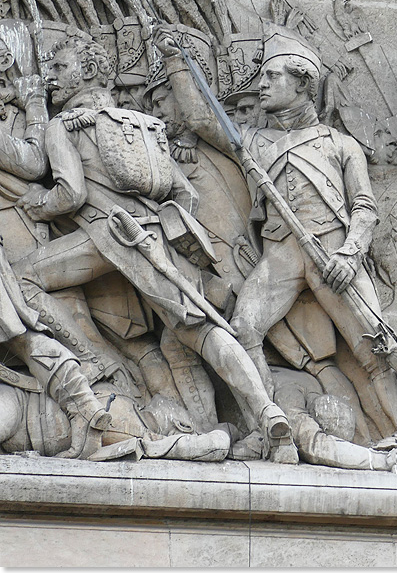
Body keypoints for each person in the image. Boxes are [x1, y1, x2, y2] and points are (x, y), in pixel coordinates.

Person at [12, 33, 297, 463]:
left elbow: (70, 194)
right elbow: (185, 196)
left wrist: (40, 204)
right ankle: (265, 411)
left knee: (23, 280)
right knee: (196, 334)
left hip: (108, 239)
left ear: (88, 71)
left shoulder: (62, 125)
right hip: (160, 240)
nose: (52, 77)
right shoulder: (142, 124)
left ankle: (93, 364)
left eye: (61, 68)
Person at [155, 24, 397, 435]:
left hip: (333, 252)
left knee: (375, 352)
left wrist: (350, 255)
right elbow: (199, 116)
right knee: (244, 330)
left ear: (302, 83)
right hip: (280, 254)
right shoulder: (254, 142)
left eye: (272, 77)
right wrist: (176, 61)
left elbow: (365, 209)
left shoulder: (339, 144)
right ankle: (268, 428)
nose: (261, 85)